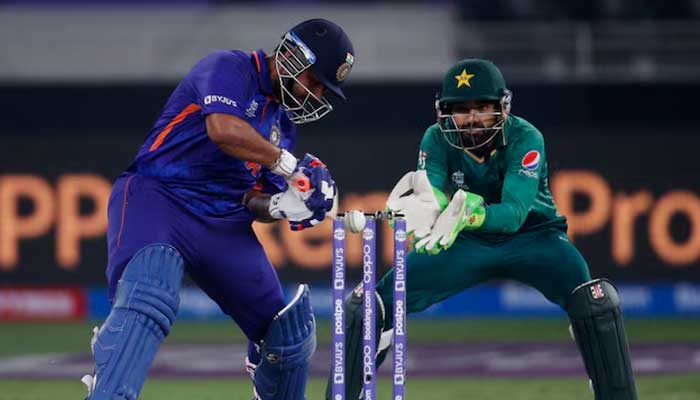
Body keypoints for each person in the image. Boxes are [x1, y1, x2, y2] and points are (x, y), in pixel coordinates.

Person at [327, 59, 637, 400]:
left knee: (594, 301)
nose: (472, 118)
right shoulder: (436, 138)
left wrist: (467, 215)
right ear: (444, 112)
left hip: (535, 238)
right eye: (460, 109)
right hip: (465, 242)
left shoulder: (526, 137)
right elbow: (430, 195)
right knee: (370, 305)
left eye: (482, 107)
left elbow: (515, 214)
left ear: (501, 108)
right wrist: (424, 214)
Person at [80, 18, 354, 400]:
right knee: (148, 296)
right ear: (293, 57)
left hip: (222, 221)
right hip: (159, 197)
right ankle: (108, 387)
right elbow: (223, 129)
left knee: (287, 332)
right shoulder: (229, 68)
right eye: (317, 80)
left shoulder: (282, 124)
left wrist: (281, 205)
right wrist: (289, 166)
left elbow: (252, 200)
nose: (318, 93)